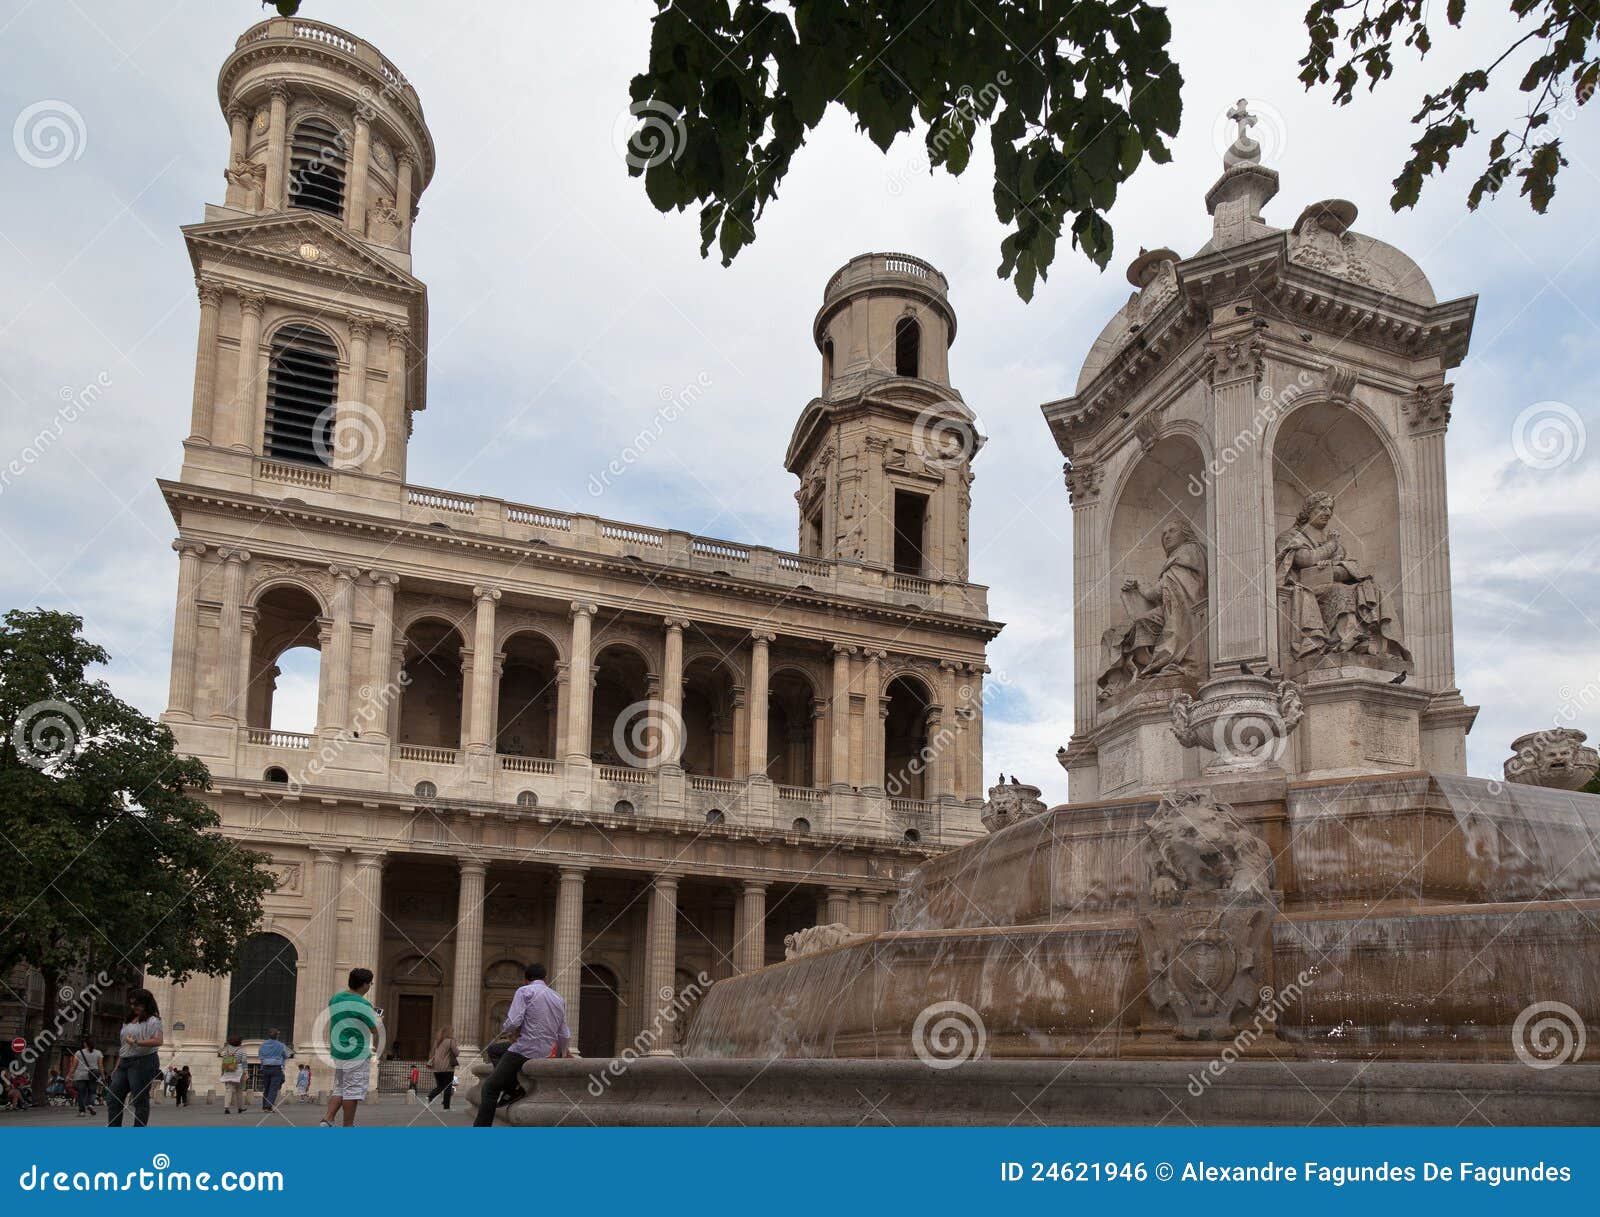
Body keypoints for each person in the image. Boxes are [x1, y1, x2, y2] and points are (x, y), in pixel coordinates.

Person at [474, 962, 570, 1127]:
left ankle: (483, 1128)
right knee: (495, 1050)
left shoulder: (525, 991)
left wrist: (508, 1032)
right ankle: (512, 1088)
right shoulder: (558, 998)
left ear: (526, 979)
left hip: (524, 1050)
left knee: (489, 1088)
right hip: (546, 1050)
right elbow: (564, 1033)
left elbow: (513, 1021)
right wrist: (562, 1052)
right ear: (545, 978)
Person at [319, 967, 380, 1128]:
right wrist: (378, 1019)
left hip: (338, 1050)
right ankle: (348, 1125)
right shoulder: (363, 1004)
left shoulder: (335, 998)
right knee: (352, 1092)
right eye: (370, 983)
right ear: (365, 984)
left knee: (340, 1088)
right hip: (356, 1051)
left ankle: (328, 1119)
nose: (370, 986)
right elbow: (374, 1029)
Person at [107, 987, 164, 1127]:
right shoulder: (128, 1020)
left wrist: (137, 1042)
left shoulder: (153, 1021)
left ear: (146, 1003)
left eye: (137, 1004)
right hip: (125, 1061)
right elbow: (124, 1046)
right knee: (113, 1098)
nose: (134, 1007)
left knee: (139, 1100)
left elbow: (158, 1041)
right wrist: (117, 1066)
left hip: (143, 1061)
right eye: (131, 1004)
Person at [425, 1026, 458, 1110]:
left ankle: (430, 1096)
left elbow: (432, 1053)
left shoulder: (437, 1041)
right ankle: (446, 1107)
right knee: (448, 1087)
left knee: (440, 1086)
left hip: (436, 1068)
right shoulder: (451, 1041)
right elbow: (456, 1053)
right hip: (447, 1068)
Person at [257, 1028, 290, 1111]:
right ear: (277, 1036)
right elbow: (285, 1055)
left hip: (265, 1067)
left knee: (266, 1088)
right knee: (273, 1088)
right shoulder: (281, 1045)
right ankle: (268, 1106)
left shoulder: (263, 1044)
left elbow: (260, 1056)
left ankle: (264, 1106)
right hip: (276, 1068)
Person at [70, 1037, 103, 1118]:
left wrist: (69, 1075)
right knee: (92, 1092)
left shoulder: (78, 1053)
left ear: (85, 1044)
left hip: (80, 1075)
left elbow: (74, 1066)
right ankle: (91, 1105)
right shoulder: (98, 1053)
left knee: (81, 1093)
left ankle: (82, 1112)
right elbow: (100, 1066)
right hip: (93, 1075)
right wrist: (103, 1076)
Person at [218, 1036, 246, 1114]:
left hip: (228, 1070)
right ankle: (240, 1107)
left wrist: (225, 1046)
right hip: (238, 1071)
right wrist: (246, 1072)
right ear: (239, 1042)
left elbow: (219, 1054)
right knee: (239, 1090)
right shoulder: (242, 1050)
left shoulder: (226, 1050)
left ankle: (226, 1107)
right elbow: (244, 1062)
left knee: (228, 1090)